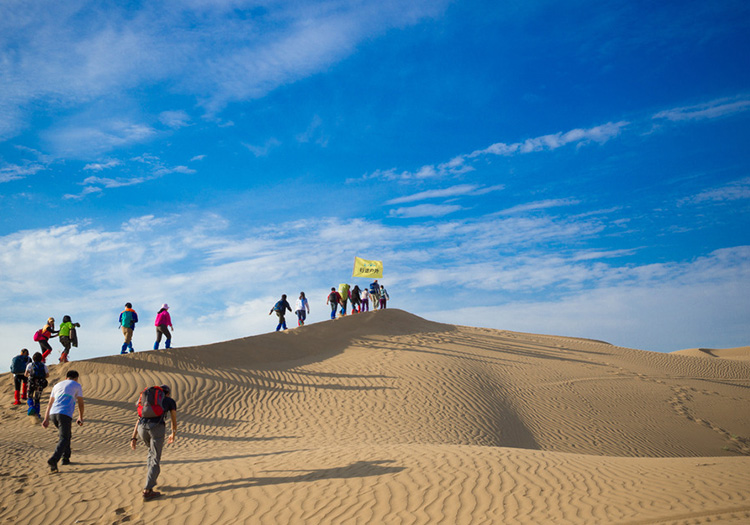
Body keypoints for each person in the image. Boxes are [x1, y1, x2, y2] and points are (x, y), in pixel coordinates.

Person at [130, 384, 177, 501]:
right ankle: (147, 490)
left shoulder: (147, 401)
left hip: (142, 429)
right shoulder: (170, 401)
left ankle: (151, 479)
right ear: (167, 393)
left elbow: (139, 418)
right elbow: (173, 420)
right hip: (156, 428)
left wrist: (133, 438)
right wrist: (173, 433)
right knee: (155, 457)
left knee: (151, 453)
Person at [42, 369, 84, 472]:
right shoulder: (76, 385)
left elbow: (49, 403)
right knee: (64, 437)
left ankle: (66, 458)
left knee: (66, 435)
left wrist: (46, 418)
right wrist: (80, 417)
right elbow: (80, 403)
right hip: (64, 414)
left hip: (53, 414)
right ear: (76, 378)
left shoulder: (57, 385)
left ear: (66, 378)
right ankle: (54, 459)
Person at [25, 351, 49, 417]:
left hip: (31, 382)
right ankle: (37, 414)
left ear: (33, 358)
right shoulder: (43, 365)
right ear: (41, 358)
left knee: (29, 396)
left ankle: (31, 407)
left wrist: (30, 375)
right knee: (37, 399)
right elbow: (47, 375)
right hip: (40, 384)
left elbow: (25, 374)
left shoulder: (30, 365)